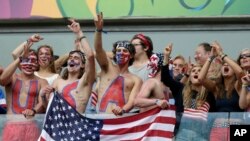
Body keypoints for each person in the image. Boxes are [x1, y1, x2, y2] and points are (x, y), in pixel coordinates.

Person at [161, 44, 216, 141]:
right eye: (193, 71)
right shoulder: (180, 89)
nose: (196, 72)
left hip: (202, 135)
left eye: (200, 71)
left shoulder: (209, 92)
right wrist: (166, 56)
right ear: (189, 76)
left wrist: (211, 58)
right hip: (182, 133)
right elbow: (165, 79)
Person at [94, 12, 142, 115]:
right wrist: (98, 30)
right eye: (118, 51)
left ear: (132, 55)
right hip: (100, 120)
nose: (121, 53)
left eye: (125, 51)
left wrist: (123, 109)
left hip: (120, 122)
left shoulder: (136, 79)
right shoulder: (107, 67)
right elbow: (98, 50)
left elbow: (132, 101)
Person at [44, 19, 96, 114]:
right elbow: (47, 107)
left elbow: (90, 56)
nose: (72, 59)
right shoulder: (57, 82)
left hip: (77, 126)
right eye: (70, 57)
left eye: (76, 58)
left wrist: (79, 33)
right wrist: (43, 95)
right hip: (59, 126)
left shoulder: (85, 81)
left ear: (82, 65)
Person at [0, 42, 49, 141]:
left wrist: (34, 110)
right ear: (20, 62)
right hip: (11, 125)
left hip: (31, 126)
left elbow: (43, 103)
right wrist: (20, 57)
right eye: (26, 60)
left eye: (33, 61)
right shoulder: (12, 77)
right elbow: (2, 80)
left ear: (37, 64)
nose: (29, 63)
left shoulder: (42, 81)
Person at [199, 41, 244, 141]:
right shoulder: (217, 88)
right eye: (223, 65)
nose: (225, 66)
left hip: (239, 127)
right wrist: (210, 57)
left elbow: (240, 72)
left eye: (229, 65)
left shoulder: (238, 86)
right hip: (218, 127)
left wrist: (221, 54)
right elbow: (201, 78)